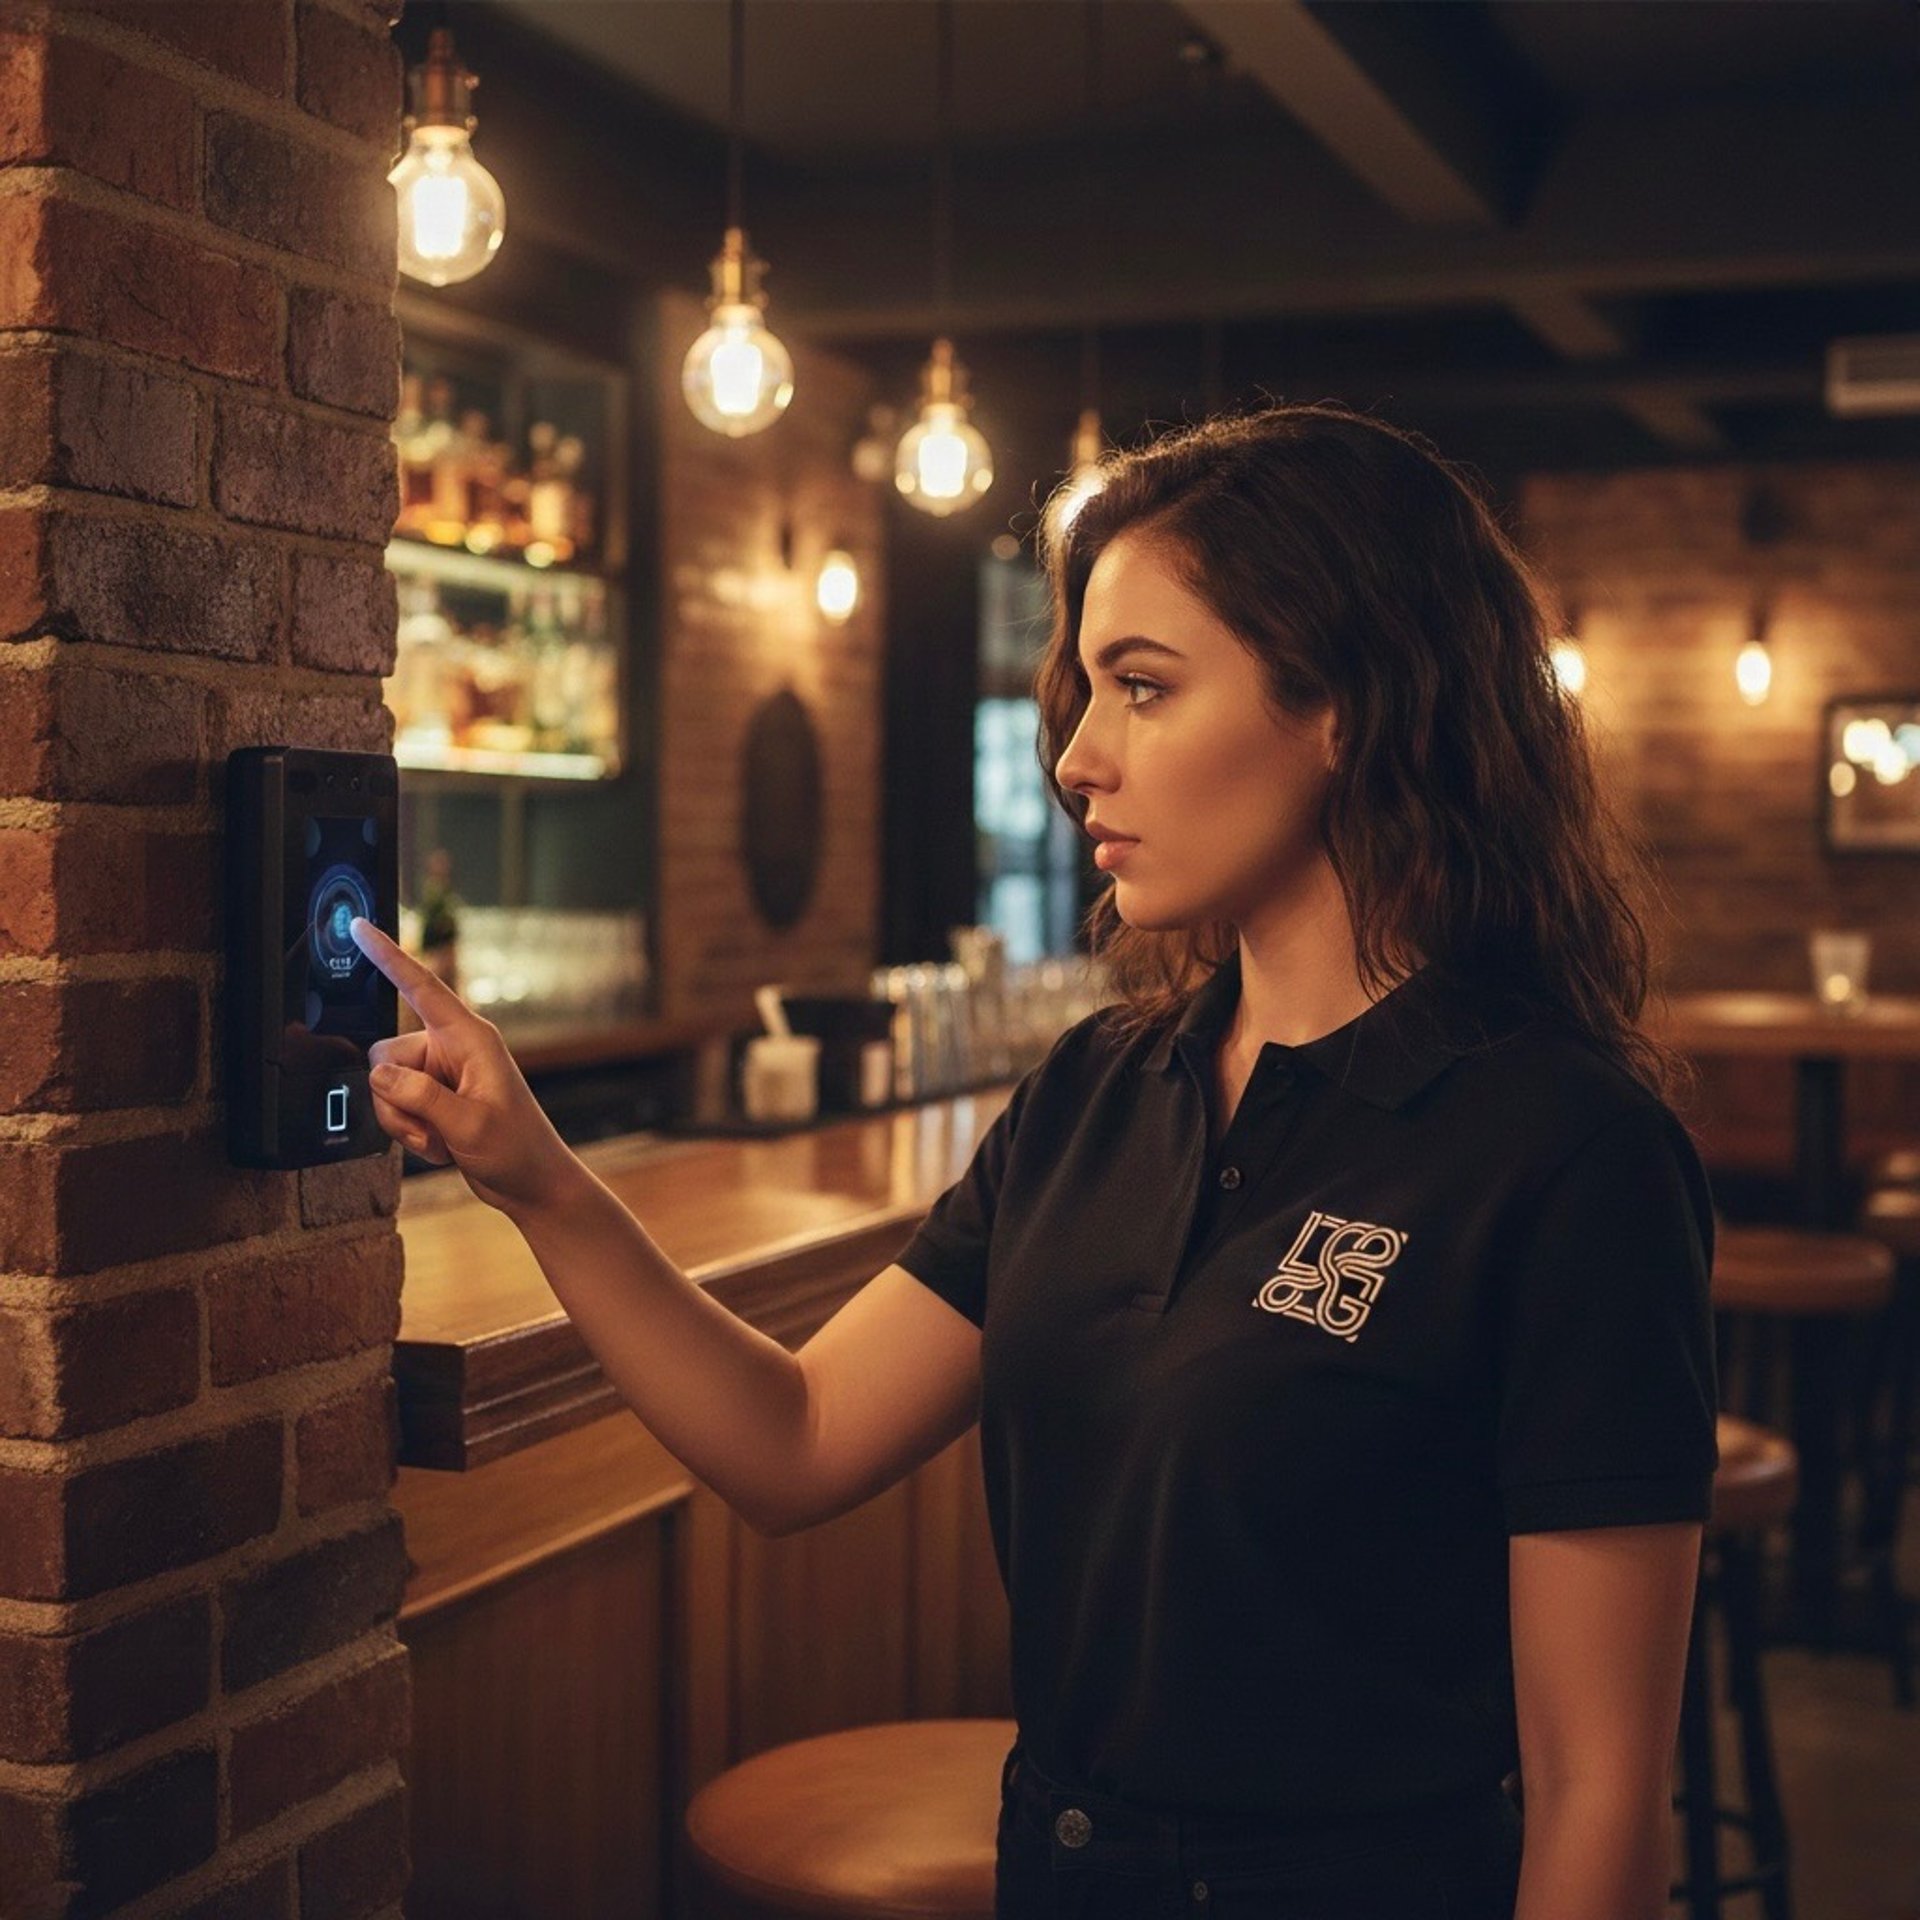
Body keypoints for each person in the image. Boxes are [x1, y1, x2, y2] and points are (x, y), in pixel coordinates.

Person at [351, 400, 1718, 1920]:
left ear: (1346, 704)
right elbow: (793, 1442)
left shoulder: (1565, 1149)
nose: (1075, 759)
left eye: (1142, 688)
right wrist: (538, 1173)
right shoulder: (1097, 1089)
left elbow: (1598, 1791)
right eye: (1084, 694)